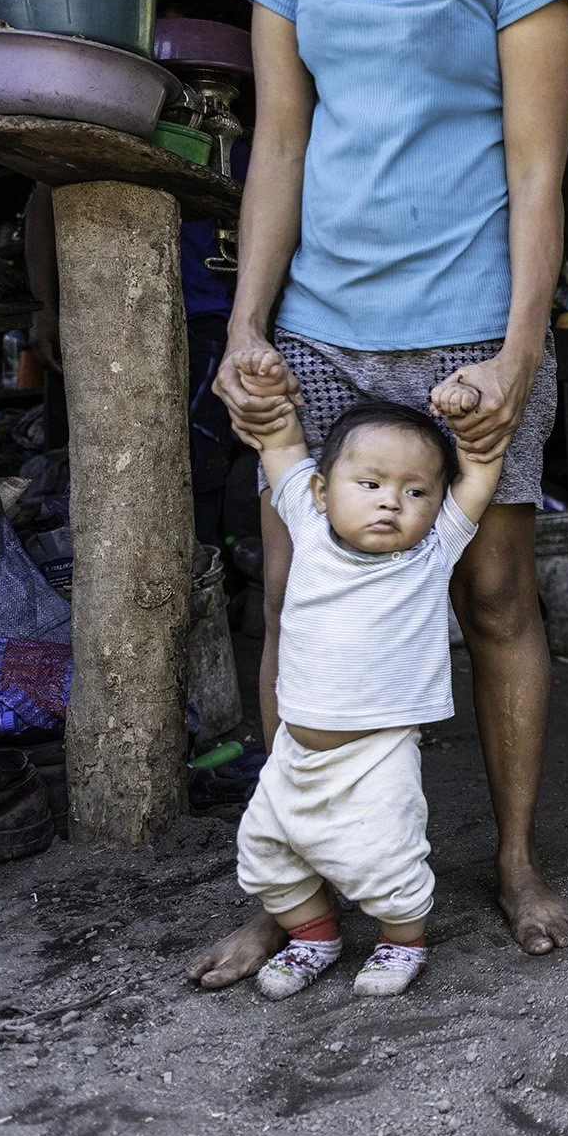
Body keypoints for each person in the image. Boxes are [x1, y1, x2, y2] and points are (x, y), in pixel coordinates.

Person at [193, 0, 568, 989]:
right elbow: (278, 142)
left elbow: (538, 174)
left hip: (472, 328)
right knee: (295, 598)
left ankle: (513, 859)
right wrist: (245, 326)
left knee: (495, 597)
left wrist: (517, 354)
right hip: (317, 329)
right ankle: (291, 887)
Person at [229, 351, 498, 999]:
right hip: (294, 752)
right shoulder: (306, 521)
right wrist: (265, 383)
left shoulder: (431, 552)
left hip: (377, 755)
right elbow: (281, 441)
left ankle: (403, 942)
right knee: (265, 853)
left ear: (437, 503)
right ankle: (314, 937)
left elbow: (480, 470)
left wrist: (471, 425)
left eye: (415, 491)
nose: (390, 502)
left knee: (388, 861)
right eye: (370, 483)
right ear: (323, 492)